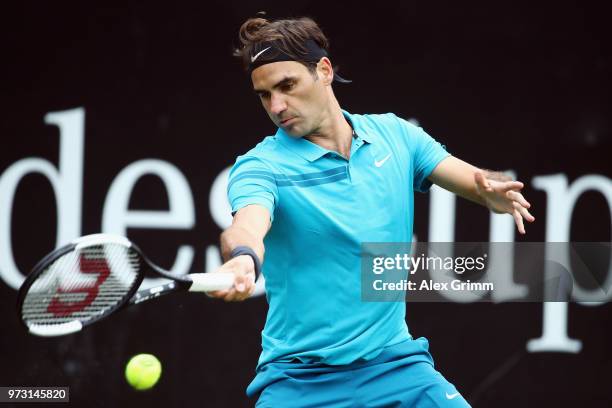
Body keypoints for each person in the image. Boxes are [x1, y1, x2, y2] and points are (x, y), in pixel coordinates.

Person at [207, 15, 535, 407]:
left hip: (396, 367)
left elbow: (475, 180)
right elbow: (247, 225)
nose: (277, 106)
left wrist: (491, 190)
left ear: (323, 70)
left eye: (287, 86)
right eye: (264, 95)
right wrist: (243, 259)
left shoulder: (395, 136)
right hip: (301, 380)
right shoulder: (261, 166)